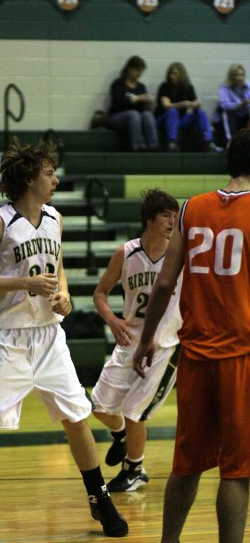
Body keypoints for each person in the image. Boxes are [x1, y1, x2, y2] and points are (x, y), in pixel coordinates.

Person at [0, 138, 128, 543]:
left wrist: (65, 295)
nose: (55, 179)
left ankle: (99, 499)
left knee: (76, 417)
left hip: (49, 335)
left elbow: (57, 267)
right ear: (28, 178)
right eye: (49, 173)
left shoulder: (54, 217)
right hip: (8, 338)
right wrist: (25, 283)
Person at [133, 128, 250, 543]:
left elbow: (162, 286)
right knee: (238, 469)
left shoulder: (192, 207)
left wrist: (146, 341)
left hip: (195, 353)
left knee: (187, 462)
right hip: (240, 354)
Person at [91, 189, 181, 492]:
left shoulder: (180, 255)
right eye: (166, 215)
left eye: (175, 214)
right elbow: (100, 293)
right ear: (149, 219)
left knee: (133, 411)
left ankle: (135, 470)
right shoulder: (126, 252)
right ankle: (121, 436)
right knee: (99, 407)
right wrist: (113, 320)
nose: (173, 220)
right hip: (129, 341)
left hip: (164, 345)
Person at [155, 62, 222, 153]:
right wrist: (183, 104)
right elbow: (166, 105)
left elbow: (196, 101)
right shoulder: (165, 87)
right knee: (172, 111)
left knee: (200, 112)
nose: (172, 76)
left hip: (181, 120)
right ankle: (172, 143)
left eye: (175, 73)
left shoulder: (188, 87)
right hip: (164, 119)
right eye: (171, 73)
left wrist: (197, 104)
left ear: (181, 75)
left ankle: (209, 142)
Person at [106, 56, 159, 151]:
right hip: (116, 116)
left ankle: (153, 145)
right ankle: (138, 145)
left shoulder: (141, 87)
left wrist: (149, 105)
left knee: (147, 115)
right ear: (129, 69)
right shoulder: (118, 84)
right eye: (137, 70)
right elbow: (117, 103)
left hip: (135, 117)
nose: (139, 73)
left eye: (141, 71)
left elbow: (142, 110)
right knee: (133, 114)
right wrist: (135, 99)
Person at [216, 64, 250, 148]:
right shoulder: (224, 88)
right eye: (237, 75)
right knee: (227, 112)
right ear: (231, 76)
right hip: (231, 115)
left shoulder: (247, 87)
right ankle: (230, 140)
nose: (239, 78)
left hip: (244, 114)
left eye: (241, 75)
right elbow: (224, 105)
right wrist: (239, 104)